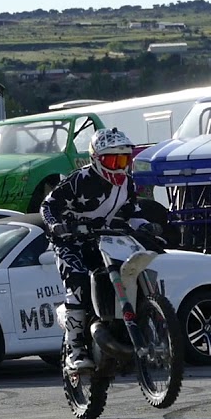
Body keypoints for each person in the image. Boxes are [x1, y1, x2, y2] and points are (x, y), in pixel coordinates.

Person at [40, 128, 148, 370]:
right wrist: (57, 226)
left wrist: (148, 226)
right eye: (113, 160)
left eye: (124, 160)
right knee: (77, 280)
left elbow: (135, 214)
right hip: (71, 241)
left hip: (105, 240)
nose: (119, 167)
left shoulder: (128, 184)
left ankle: (135, 326)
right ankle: (75, 350)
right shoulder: (79, 180)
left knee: (129, 271)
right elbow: (48, 205)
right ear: (96, 159)